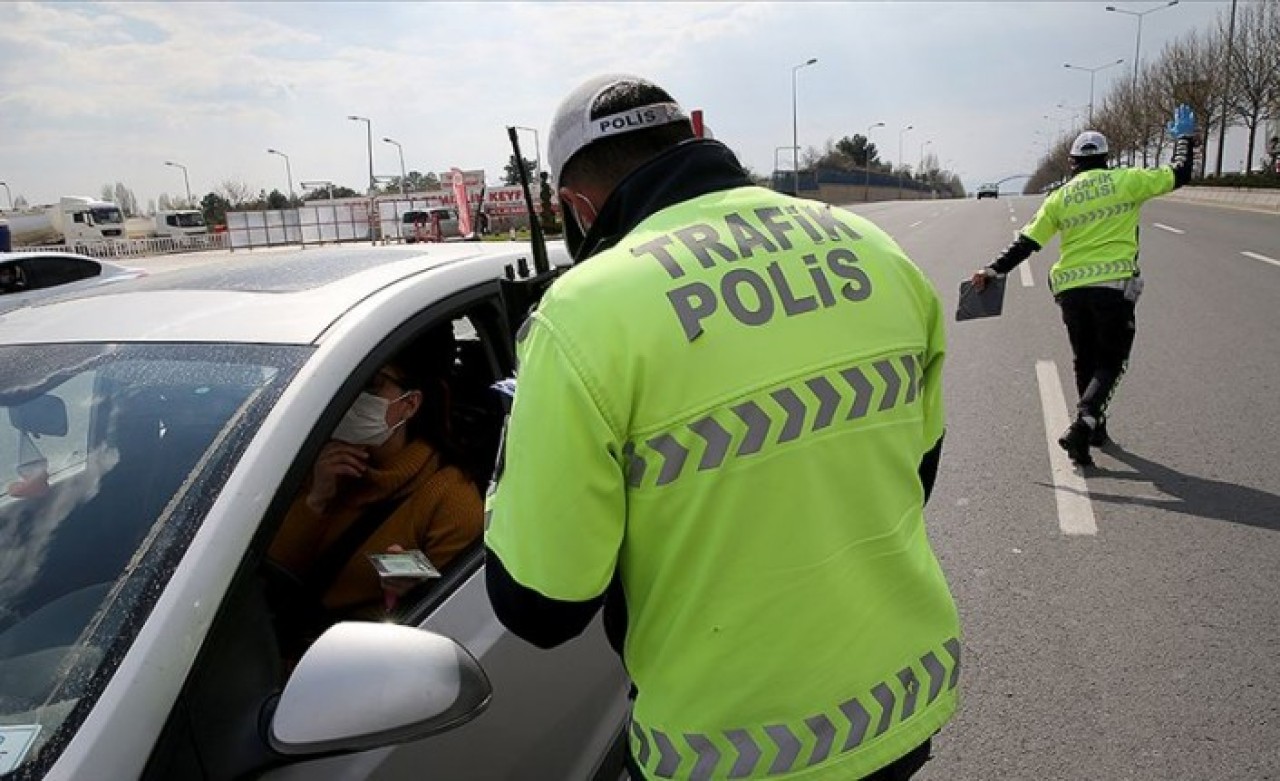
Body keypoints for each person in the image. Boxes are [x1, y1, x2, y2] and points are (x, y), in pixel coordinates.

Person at [485, 74, 960, 781]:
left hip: (731, 750)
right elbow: (913, 474)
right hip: (901, 701)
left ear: (577, 206)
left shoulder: (581, 315)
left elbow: (541, 607)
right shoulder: (875, 250)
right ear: (695, 141)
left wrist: (507, 466)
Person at [970, 105, 1198, 466]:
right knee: (1112, 361)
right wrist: (1184, 140)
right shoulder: (1127, 180)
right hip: (1112, 287)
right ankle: (1084, 422)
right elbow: (1180, 173)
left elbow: (1027, 242)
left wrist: (993, 270)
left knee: (1085, 360)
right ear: (1106, 160)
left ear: (1072, 162)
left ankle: (1094, 430)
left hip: (1070, 291)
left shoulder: (1060, 197)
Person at [267, 326, 483, 646]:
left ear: (410, 405)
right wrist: (315, 502)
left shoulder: (450, 497)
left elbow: (454, 626)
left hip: (355, 660)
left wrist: (410, 590)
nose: (351, 397)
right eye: (343, 382)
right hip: (273, 648)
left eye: (371, 384)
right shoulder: (310, 458)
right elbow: (271, 581)